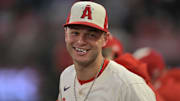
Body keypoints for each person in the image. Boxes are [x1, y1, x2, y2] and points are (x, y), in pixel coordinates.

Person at [57, 1, 156, 101]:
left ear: (105, 39)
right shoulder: (66, 75)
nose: (80, 41)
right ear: (66, 34)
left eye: (91, 35)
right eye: (75, 33)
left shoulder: (128, 85)